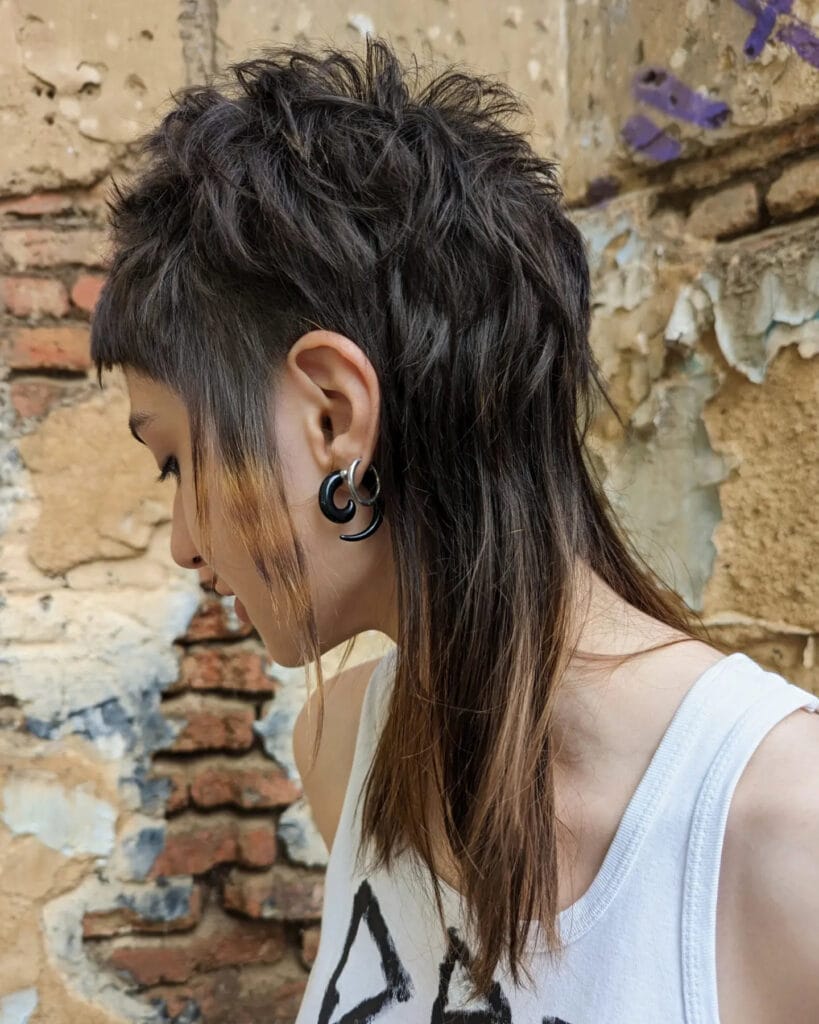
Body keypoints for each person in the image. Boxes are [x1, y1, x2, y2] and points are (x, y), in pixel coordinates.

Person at [90, 37, 819, 1024]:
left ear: (333, 415)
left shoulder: (781, 830)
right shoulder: (343, 746)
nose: (183, 538)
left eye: (178, 458)